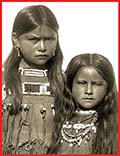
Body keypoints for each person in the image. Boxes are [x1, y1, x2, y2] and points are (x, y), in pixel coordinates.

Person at [2, 5, 65, 154]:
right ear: (16, 39)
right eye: (34, 40)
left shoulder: (64, 81)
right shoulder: (4, 80)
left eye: (49, 39)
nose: (42, 47)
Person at [50, 53, 118, 154]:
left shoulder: (114, 123)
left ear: (108, 87)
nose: (89, 91)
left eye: (96, 84)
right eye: (82, 83)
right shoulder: (57, 117)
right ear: (70, 84)